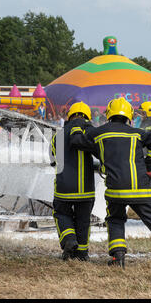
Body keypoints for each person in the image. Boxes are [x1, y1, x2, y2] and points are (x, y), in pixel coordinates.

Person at [72, 97, 151, 270]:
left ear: (109, 114)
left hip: (116, 191)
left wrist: (77, 127)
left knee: (115, 219)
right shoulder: (137, 133)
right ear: (129, 116)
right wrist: (148, 164)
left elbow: (77, 142)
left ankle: (118, 258)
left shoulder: (99, 133)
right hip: (141, 189)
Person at [49, 101, 96, 261]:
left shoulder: (58, 135)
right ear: (88, 117)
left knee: (61, 213)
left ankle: (69, 239)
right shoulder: (91, 132)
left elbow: (53, 158)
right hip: (86, 188)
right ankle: (82, 253)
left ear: (70, 116)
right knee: (83, 219)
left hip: (64, 187)